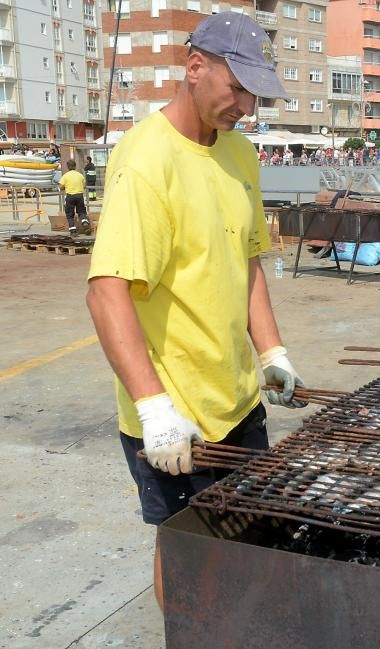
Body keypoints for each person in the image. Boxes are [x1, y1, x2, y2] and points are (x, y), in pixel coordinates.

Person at [85, 11, 307, 610]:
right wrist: (154, 409)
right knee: (189, 560)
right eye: (237, 89)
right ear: (195, 68)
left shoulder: (241, 156)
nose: (247, 108)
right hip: (174, 422)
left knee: (249, 541)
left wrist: (272, 351)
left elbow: (249, 263)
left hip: (238, 404)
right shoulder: (145, 162)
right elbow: (106, 293)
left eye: (255, 94)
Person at [58, 159, 88, 236]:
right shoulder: (80, 175)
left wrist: (65, 188)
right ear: (75, 166)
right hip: (79, 195)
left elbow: (61, 187)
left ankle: (73, 231)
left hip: (70, 196)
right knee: (81, 211)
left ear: (68, 167)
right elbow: (84, 186)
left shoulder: (65, 176)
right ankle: (84, 222)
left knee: (70, 214)